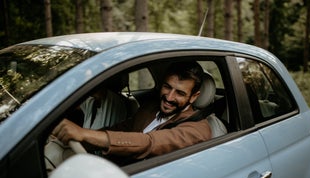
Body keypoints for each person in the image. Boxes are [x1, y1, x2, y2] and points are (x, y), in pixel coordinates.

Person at [52, 61, 212, 163]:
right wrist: (77, 138)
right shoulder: (150, 107)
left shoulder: (197, 129)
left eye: (180, 93)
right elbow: (121, 128)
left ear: (194, 97)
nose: (169, 97)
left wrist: (84, 134)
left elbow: (148, 142)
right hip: (112, 166)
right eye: (167, 87)